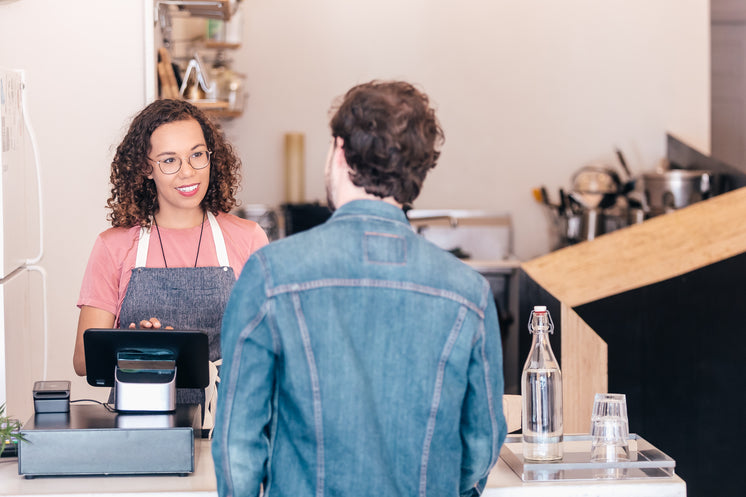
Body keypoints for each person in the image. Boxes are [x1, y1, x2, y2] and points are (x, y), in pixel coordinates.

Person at [213, 81, 506, 497]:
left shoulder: (270, 274)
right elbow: (481, 444)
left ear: (339, 151)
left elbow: (237, 444)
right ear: (418, 171)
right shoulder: (468, 293)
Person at [73, 99, 268, 410]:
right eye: (169, 160)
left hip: (226, 420)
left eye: (196, 155)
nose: (187, 173)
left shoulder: (248, 239)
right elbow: (84, 362)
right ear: (145, 168)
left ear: (210, 157)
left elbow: (271, 346)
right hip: (136, 426)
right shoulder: (114, 246)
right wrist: (134, 345)